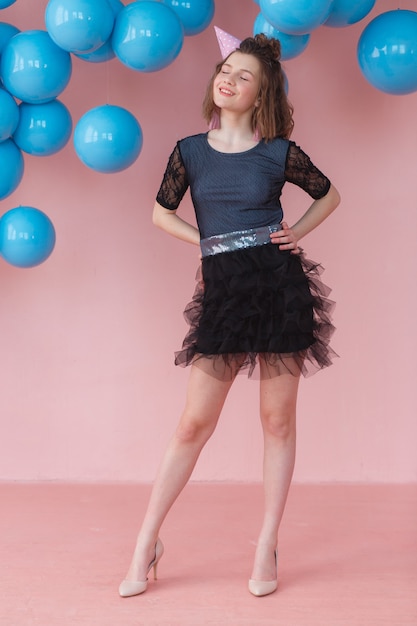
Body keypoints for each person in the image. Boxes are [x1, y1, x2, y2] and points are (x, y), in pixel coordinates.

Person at [119, 33, 340, 599]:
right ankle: (147, 540)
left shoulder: (278, 152)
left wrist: (297, 233)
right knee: (194, 423)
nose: (229, 80)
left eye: (244, 76)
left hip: (279, 286)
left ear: (261, 94)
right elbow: (159, 213)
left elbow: (328, 195)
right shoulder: (190, 150)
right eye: (225, 70)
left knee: (277, 422)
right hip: (224, 292)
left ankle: (267, 541)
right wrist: (206, 245)